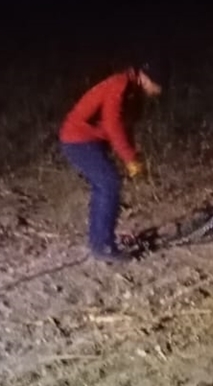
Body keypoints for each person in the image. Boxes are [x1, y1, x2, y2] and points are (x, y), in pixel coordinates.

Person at [59, 57, 169, 261]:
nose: (158, 92)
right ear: (147, 78)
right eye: (158, 86)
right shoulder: (119, 84)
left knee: (105, 185)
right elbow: (113, 125)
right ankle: (102, 246)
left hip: (90, 140)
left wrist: (132, 153)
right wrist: (129, 158)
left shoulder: (132, 90)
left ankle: (99, 240)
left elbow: (125, 127)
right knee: (108, 184)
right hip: (77, 139)